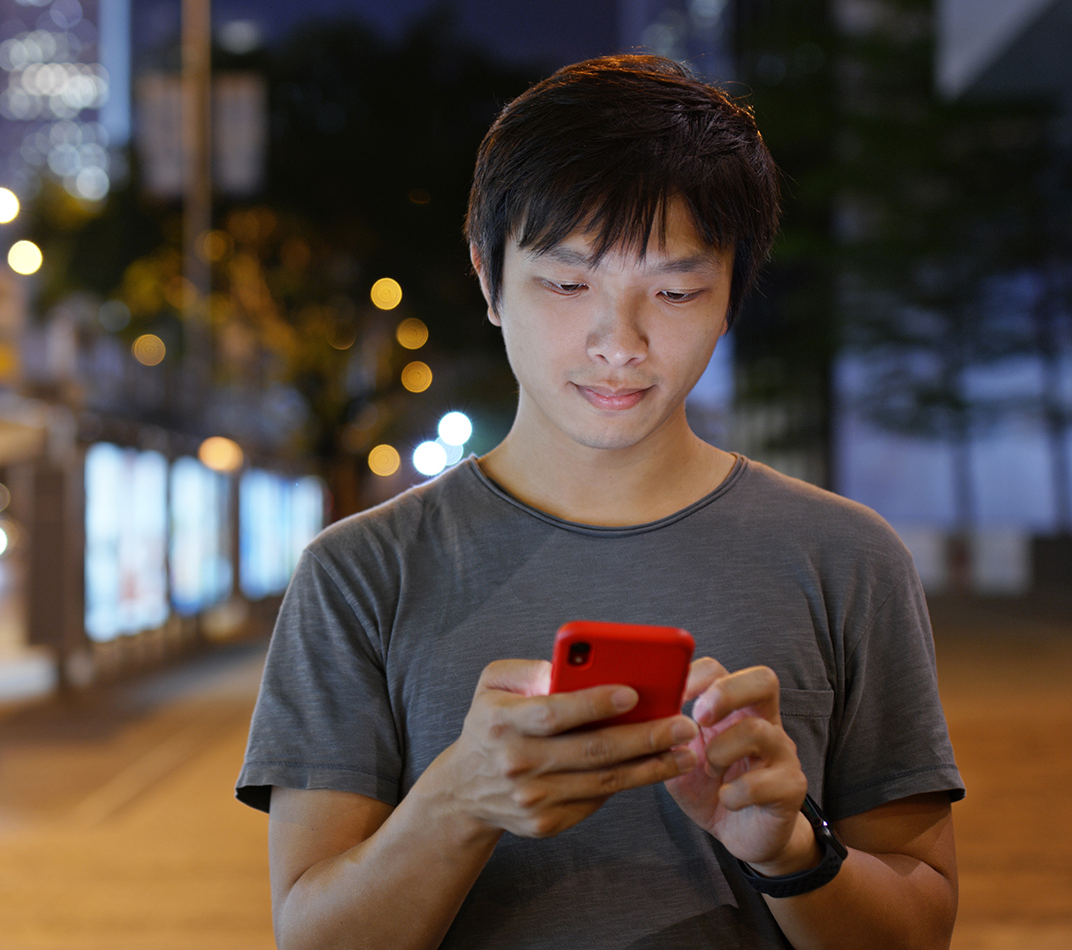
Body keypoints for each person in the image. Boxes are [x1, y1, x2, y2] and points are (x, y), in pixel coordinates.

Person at [236, 54, 963, 950]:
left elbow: (920, 926)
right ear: (486, 276)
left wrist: (789, 849)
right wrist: (460, 802)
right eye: (568, 283)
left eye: (675, 290)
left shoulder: (847, 559)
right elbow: (312, 939)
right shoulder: (359, 573)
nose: (619, 342)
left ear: (732, 291)